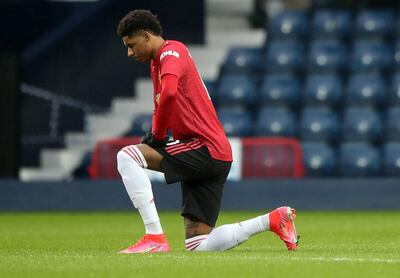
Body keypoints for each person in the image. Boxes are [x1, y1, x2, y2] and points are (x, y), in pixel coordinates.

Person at [116, 9, 299, 253]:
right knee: (198, 244)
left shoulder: (171, 51)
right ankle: (273, 219)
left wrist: (158, 136)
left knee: (127, 156)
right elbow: (161, 103)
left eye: (131, 44)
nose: (129, 52)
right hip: (214, 153)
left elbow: (168, 94)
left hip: (203, 147)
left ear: (147, 36)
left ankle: (154, 237)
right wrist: (157, 132)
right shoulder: (157, 63)